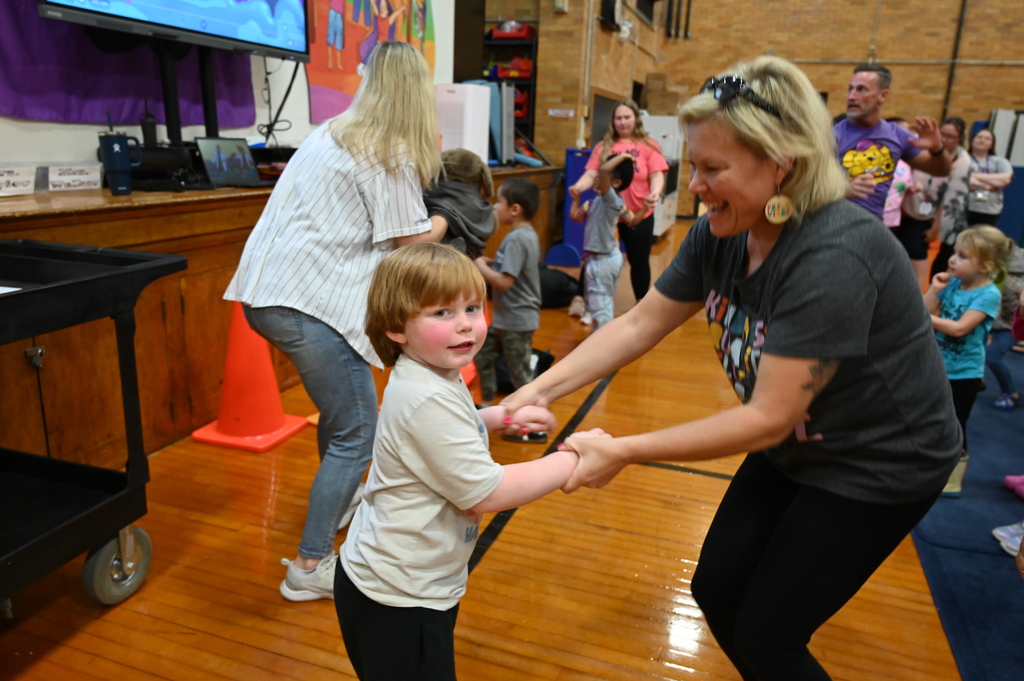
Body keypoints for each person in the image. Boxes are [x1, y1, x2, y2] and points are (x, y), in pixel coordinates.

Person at [504, 56, 961, 681]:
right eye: (693, 165)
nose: (695, 185)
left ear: (782, 164)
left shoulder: (835, 253)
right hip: (799, 444)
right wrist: (532, 392)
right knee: (716, 590)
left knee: (770, 637)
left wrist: (624, 450)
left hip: (882, 461)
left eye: (713, 169)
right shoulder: (722, 230)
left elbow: (767, 417)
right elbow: (638, 325)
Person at [224, 42, 446, 602]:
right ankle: (309, 564)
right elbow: (409, 242)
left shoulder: (331, 132)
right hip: (305, 302)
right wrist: (447, 219)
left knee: (342, 417)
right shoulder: (387, 148)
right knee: (357, 430)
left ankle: (340, 500)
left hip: (268, 293)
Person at [337, 242, 579, 681]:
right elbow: (488, 492)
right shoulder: (426, 394)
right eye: (442, 313)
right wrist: (572, 461)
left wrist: (498, 418)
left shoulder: (431, 373)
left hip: (399, 579)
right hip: (399, 597)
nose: (465, 324)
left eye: (472, 307)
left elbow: (440, 433)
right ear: (395, 327)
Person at [924, 225, 1010, 496]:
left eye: (962, 256)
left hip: (964, 374)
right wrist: (934, 289)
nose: (952, 259)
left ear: (985, 266)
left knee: (955, 425)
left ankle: (952, 478)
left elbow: (960, 328)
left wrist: (926, 318)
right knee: (928, 418)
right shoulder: (952, 283)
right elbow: (924, 309)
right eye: (955, 252)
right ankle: (928, 466)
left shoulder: (989, 294)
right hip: (937, 367)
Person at [569, 99, 668, 302]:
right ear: (613, 121)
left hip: (637, 213)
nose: (623, 122)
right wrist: (579, 186)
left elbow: (656, 174)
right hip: (606, 214)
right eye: (618, 118)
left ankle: (642, 304)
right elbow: (591, 173)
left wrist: (655, 192)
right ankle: (580, 298)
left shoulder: (649, 146)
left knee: (639, 261)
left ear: (636, 119)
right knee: (593, 255)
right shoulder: (603, 146)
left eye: (627, 117)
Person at [473, 178, 544, 442]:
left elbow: (504, 282)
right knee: (483, 354)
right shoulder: (525, 234)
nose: (494, 207)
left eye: (499, 202)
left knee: (521, 376)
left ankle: (533, 428)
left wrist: (480, 266)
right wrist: (493, 263)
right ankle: (488, 406)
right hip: (507, 319)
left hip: (516, 321)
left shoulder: (516, 239)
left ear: (514, 209)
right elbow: (511, 268)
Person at [835, 63, 951, 220]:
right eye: (850, 89)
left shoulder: (897, 135)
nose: (851, 97)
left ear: (883, 95)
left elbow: (941, 170)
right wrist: (841, 189)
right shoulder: (831, 135)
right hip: (833, 222)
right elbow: (804, 185)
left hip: (872, 224)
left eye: (861, 89)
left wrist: (937, 149)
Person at [569, 153, 635, 329]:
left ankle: (603, 339)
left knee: (602, 310)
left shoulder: (612, 200)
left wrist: (624, 156)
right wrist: (576, 200)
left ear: (616, 183)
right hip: (600, 258)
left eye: (602, 176)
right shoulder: (597, 201)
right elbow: (575, 216)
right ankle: (602, 335)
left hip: (603, 260)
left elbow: (605, 170)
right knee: (602, 303)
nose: (598, 177)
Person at [422, 148, 496, 259]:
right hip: (464, 266)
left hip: (440, 266)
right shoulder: (483, 210)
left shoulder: (444, 211)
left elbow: (422, 245)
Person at [927, 117, 973, 279]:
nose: (945, 139)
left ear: (960, 138)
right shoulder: (928, 149)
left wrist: (936, 225)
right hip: (920, 207)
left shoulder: (963, 160)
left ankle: (934, 285)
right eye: (942, 134)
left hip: (950, 213)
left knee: (946, 253)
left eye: (950, 136)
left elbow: (953, 197)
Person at [985, 243, 1024, 409]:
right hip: (996, 321)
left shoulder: (1008, 280)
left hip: (1009, 327)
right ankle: (974, 378)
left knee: (992, 356)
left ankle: (1010, 393)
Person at [966, 127, 1014, 227]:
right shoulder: (963, 159)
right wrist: (993, 184)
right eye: (979, 137)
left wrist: (974, 176)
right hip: (965, 208)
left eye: (987, 138)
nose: (982, 140)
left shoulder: (1000, 161)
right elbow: (964, 182)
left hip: (991, 210)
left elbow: (1006, 179)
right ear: (972, 140)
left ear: (992, 144)